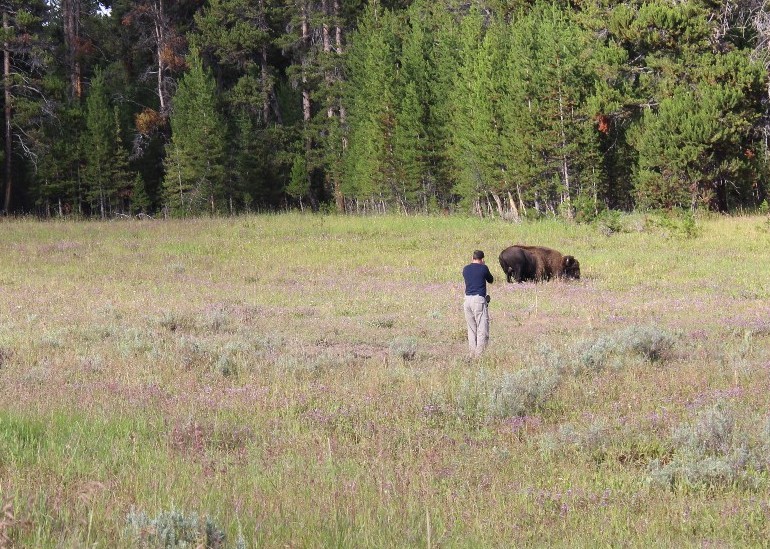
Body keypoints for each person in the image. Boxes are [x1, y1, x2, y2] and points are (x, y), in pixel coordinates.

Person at [462, 249, 494, 357]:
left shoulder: (465, 269)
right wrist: (484, 266)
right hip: (478, 300)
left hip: (467, 300)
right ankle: (479, 355)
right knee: (482, 328)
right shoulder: (483, 268)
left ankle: (471, 353)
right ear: (482, 259)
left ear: (472, 258)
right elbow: (491, 280)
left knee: (471, 329)